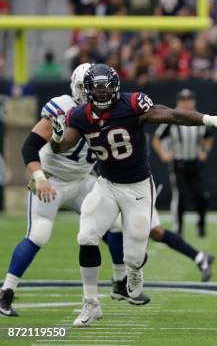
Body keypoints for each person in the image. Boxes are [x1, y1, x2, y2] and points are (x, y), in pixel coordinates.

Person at [49, 63, 217, 326]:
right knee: (86, 236)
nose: (102, 95)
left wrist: (210, 119)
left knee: (134, 255)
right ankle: (90, 303)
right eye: (96, 90)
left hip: (138, 187)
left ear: (115, 88)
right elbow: (63, 146)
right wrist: (56, 137)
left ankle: (134, 271)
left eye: (105, 89)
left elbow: (171, 115)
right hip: (106, 184)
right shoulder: (81, 115)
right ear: (87, 91)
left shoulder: (132, 105)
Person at [0, 64, 124, 317]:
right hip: (52, 181)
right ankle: (6, 291)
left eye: (99, 88)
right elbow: (30, 146)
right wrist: (38, 176)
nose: (94, 93)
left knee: (116, 222)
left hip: (82, 181)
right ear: (76, 88)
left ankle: (119, 282)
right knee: (40, 234)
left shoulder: (111, 109)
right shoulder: (63, 107)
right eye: (86, 87)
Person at [152, 89, 213, 237]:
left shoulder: (200, 118)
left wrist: (204, 151)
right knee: (180, 196)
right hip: (178, 164)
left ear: (194, 101)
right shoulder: (172, 118)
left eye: (189, 100)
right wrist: (163, 154)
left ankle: (201, 224)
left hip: (196, 163)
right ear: (178, 102)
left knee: (201, 195)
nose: (186, 103)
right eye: (183, 100)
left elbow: (209, 137)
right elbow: (156, 139)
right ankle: (178, 228)